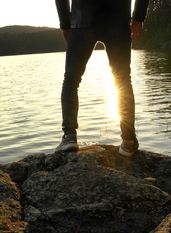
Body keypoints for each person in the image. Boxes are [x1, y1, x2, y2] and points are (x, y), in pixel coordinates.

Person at [55, 0, 149, 157]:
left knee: (71, 81)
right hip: (118, 19)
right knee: (123, 80)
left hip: (82, 20)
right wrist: (138, 18)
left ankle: (69, 137)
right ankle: (129, 141)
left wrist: (65, 23)